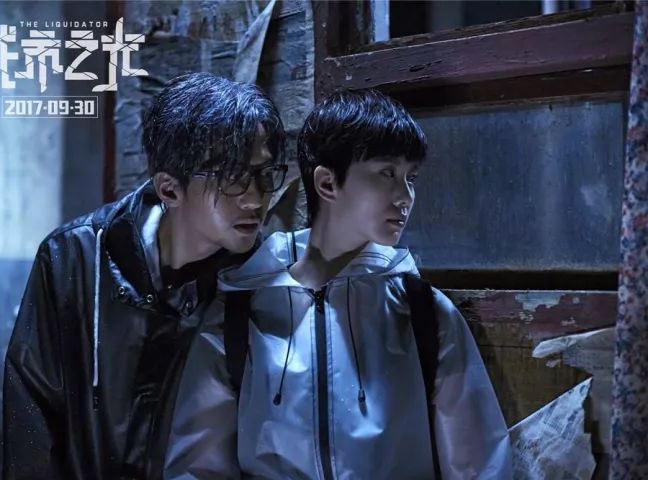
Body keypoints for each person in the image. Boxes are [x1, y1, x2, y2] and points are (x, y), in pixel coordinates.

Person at [2, 72, 286, 479]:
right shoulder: (75, 257)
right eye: (232, 178)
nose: (256, 198)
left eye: (265, 174)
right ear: (169, 189)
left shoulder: (262, 276)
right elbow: (32, 418)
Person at [218, 89, 512, 479]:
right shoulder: (240, 311)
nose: (405, 196)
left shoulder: (423, 312)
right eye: (387, 173)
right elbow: (197, 464)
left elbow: (480, 466)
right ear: (327, 183)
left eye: (411, 178)